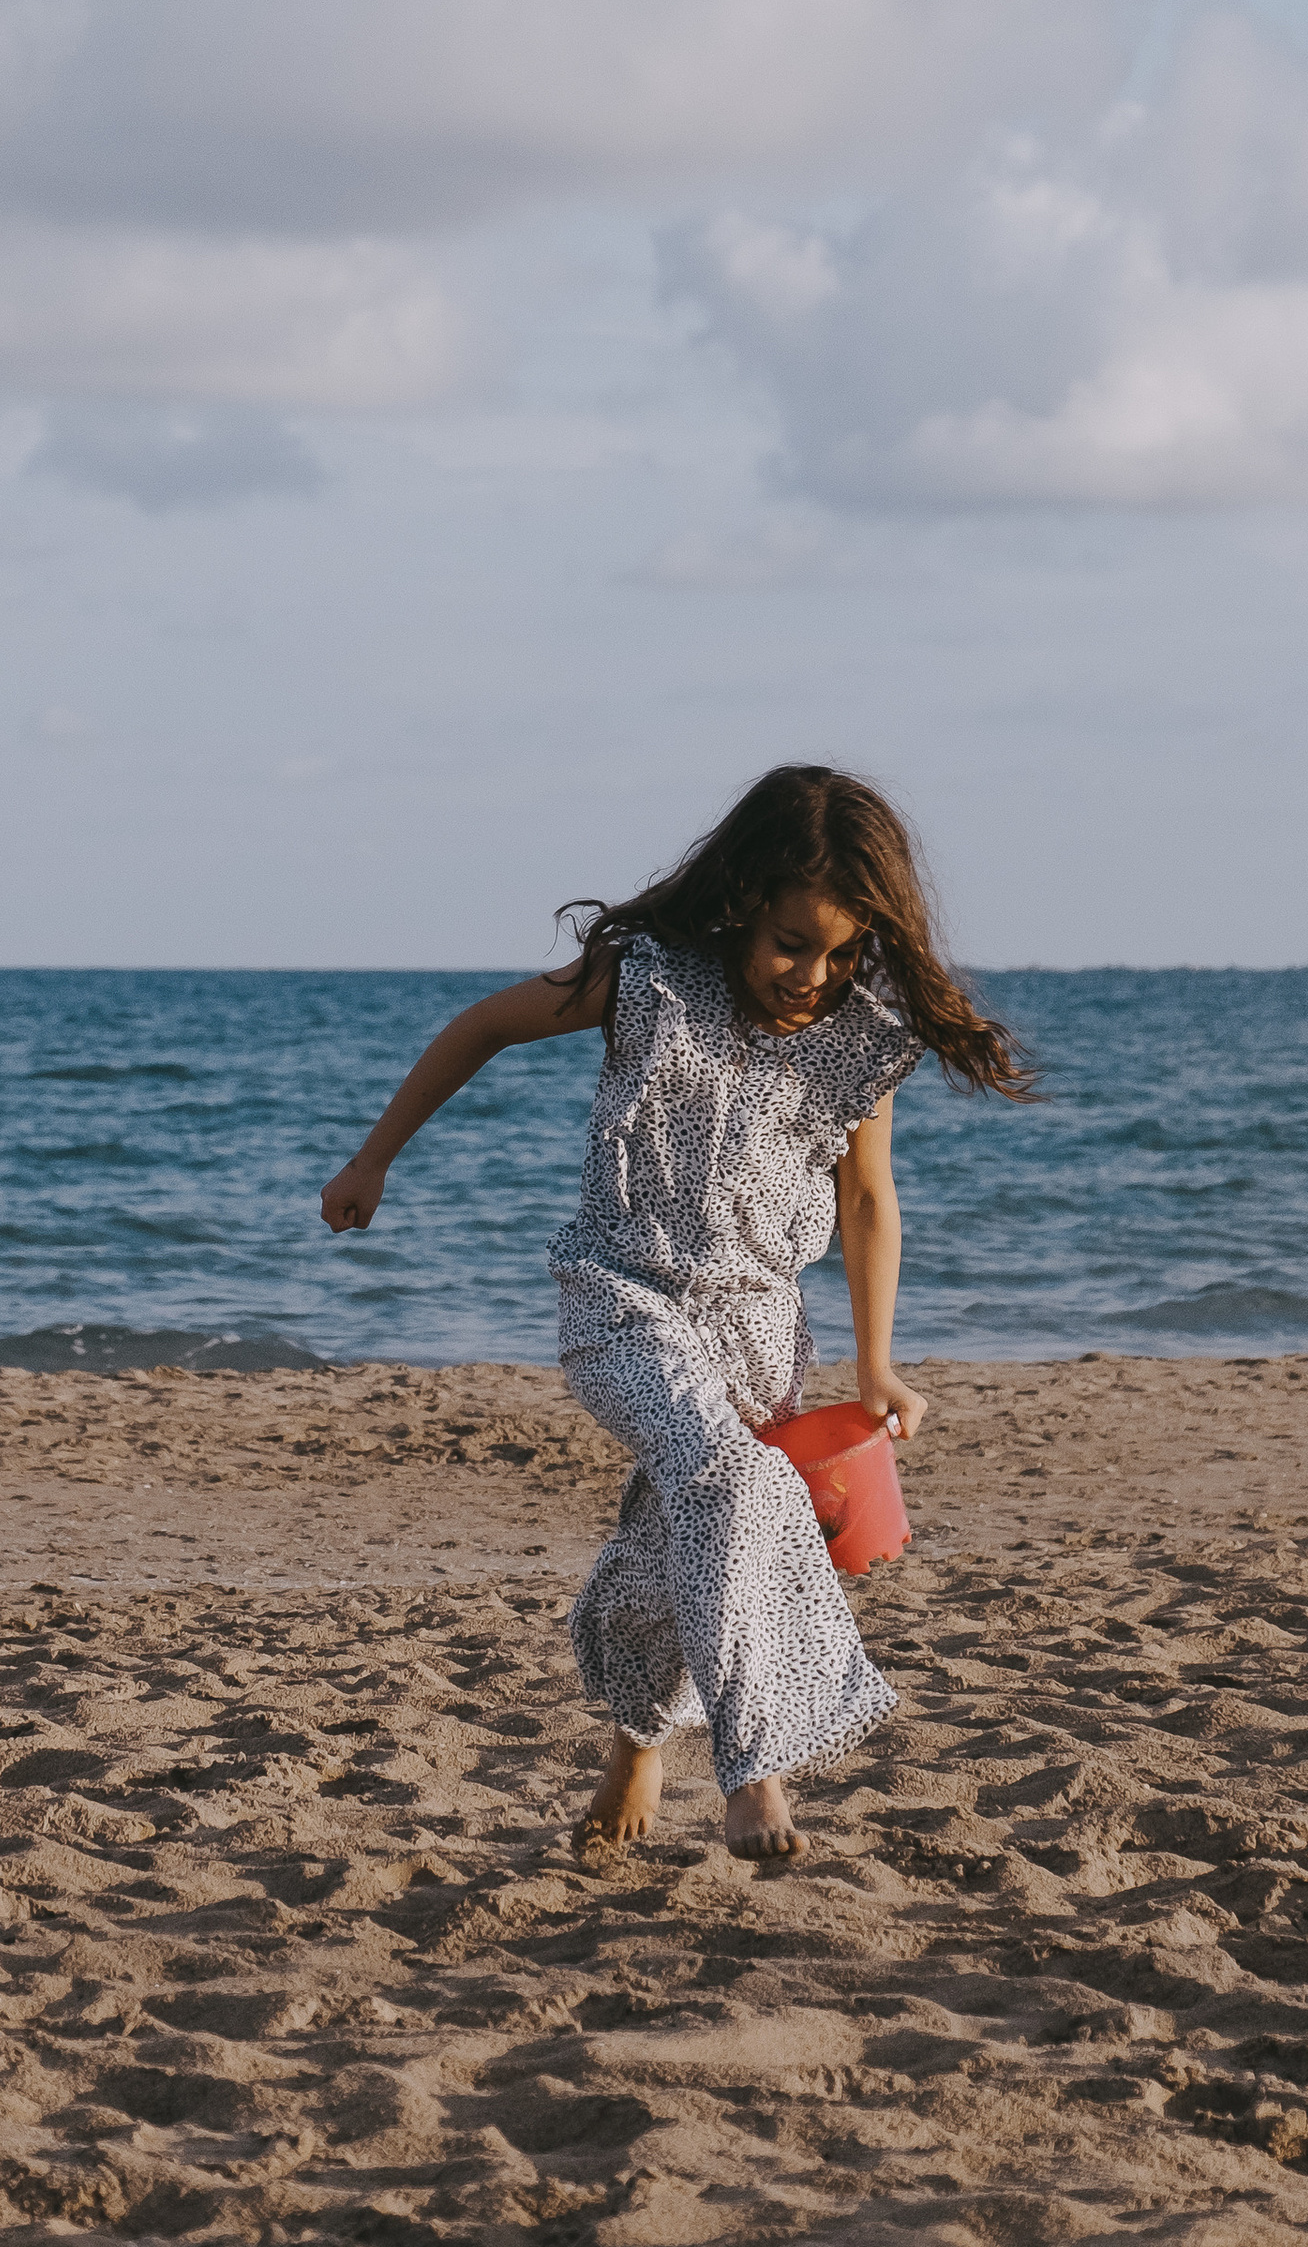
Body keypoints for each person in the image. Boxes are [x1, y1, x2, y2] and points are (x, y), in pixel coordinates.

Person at [319, 764, 1032, 1862]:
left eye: (843, 953)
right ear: (745, 904)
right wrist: (374, 1158)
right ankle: (758, 1772)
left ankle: (636, 1743)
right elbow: (480, 1029)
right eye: (794, 943)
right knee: (737, 1486)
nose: (815, 973)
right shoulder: (644, 981)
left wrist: (876, 1365)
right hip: (621, 1298)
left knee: (684, 1541)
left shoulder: (859, 1034)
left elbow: (868, 1197)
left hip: (758, 1330)